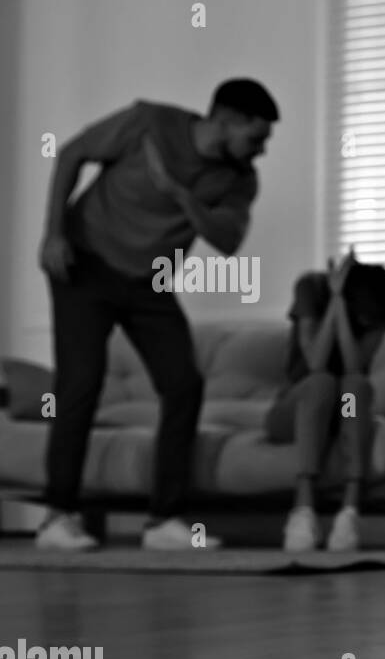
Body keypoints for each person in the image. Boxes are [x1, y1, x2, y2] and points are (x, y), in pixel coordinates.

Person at [35, 78, 278, 551]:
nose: (261, 150)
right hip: (84, 265)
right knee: (81, 382)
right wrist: (52, 234)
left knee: (184, 384)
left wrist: (181, 194)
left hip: (149, 282)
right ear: (225, 120)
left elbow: (228, 242)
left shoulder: (239, 178)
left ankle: (164, 521)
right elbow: (71, 154)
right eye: (257, 137)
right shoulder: (149, 122)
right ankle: (56, 517)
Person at [263, 249, 385, 552]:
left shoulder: (377, 318)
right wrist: (336, 303)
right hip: (297, 411)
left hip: (344, 412)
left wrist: (341, 310)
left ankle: (349, 512)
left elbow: (354, 367)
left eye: (373, 321)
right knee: (322, 382)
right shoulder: (310, 289)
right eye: (363, 316)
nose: (368, 323)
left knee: (354, 386)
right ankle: (303, 511)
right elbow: (315, 360)